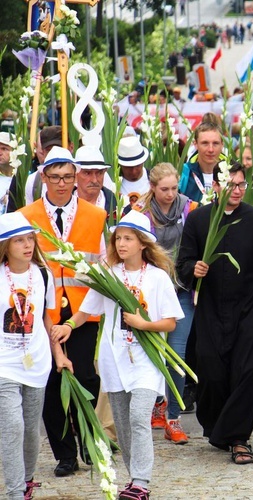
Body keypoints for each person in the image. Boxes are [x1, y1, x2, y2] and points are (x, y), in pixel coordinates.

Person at [52, 211, 183, 499]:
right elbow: (87, 310)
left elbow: (171, 321)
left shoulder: (158, 277)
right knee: (122, 424)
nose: (121, 243)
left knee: (138, 416)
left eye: (128, 238)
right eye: (118, 238)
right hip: (116, 359)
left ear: (143, 243)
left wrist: (144, 325)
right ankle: (133, 477)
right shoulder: (108, 276)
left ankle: (141, 481)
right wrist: (69, 325)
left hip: (147, 362)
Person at [177, 162, 253, 464]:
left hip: (249, 308)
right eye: (230, 185)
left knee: (247, 373)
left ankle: (239, 439)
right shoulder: (198, 219)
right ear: (217, 187)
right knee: (212, 372)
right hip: (209, 309)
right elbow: (182, 263)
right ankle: (217, 424)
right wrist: (193, 269)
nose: (236, 191)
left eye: (241, 185)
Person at [19, 146, 107, 477]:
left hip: (83, 312)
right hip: (42, 312)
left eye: (68, 177)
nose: (61, 184)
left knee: (85, 375)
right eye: (55, 177)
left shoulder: (96, 215)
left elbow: (101, 269)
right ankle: (64, 452)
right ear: (44, 177)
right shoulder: (26, 216)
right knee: (52, 384)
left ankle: (87, 437)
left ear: (76, 177)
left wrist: (81, 314)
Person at [0, 212, 70, 500]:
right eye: (19, 241)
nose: (27, 245)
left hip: (36, 363)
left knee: (30, 430)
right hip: (4, 365)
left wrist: (59, 356)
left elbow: (46, 319)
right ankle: (15, 491)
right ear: (5, 245)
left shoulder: (42, 274)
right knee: (12, 427)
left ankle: (27, 480)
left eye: (30, 239)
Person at [132, 163, 199, 443]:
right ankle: (158, 402)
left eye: (174, 188)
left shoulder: (190, 208)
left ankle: (174, 417)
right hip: (153, 290)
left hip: (181, 289)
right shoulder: (140, 213)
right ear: (152, 187)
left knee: (177, 354)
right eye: (164, 189)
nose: (170, 194)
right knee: (153, 352)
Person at [179, 113, 225, 203]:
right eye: (205, 143)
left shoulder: (232, 173)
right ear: (195, 144)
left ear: (222, 145)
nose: (211, 149)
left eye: (215, 143)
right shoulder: (184, 173)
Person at [74, 146, 118, 217]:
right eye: (87, 173)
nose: (94, 180)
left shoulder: (117, 208)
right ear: (75, 175)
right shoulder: (64, 206)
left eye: (99, 173)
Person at [117, 136, 151, 207]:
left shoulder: (152, 178)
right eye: (128, 168)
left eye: (138, 166)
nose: (134, 172)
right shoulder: (114, 183)